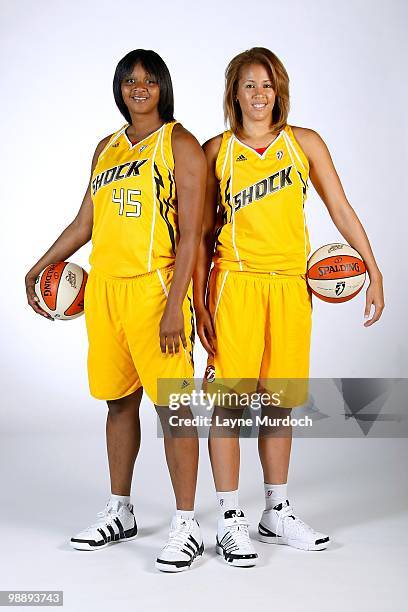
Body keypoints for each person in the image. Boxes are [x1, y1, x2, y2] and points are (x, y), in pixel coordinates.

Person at [194, 47, 384, 567]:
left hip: (290, 287)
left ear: (280, 92)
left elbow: (339, 207)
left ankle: (275, 509)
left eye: (268, 85)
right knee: (230, 404)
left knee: (279, 403)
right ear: (234, 92)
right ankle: (230, 517)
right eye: (249, 85)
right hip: (234, 285)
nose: (259, 94)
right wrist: (197, 302)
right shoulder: (217, 151)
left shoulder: (304, 144)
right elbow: (200, 233)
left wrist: (374, 269)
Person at [25, 49, 206, 572]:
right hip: (105, 291)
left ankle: (187, 523)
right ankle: (120, 509)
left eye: (148, 80)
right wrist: (39, 267)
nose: (139, 88)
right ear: (120, 87)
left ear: (163, 86)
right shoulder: (105, 148)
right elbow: (85, 223)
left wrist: (177, 305)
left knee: (172, 409)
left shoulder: (181, 144)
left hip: (156, 290)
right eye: (130, 80)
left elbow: (193, 234)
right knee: (118, 402)